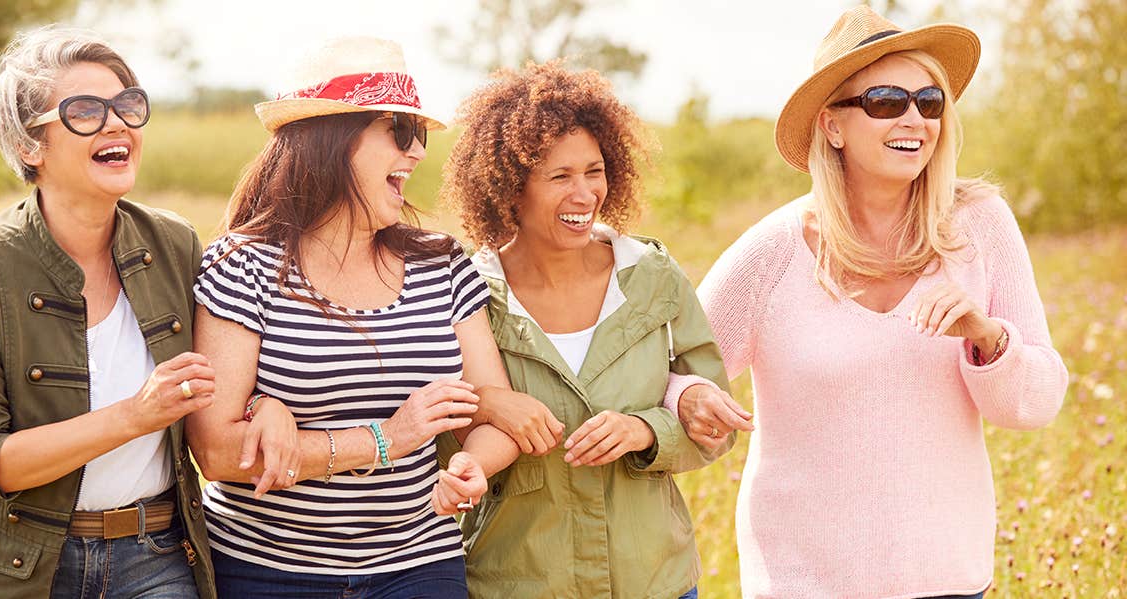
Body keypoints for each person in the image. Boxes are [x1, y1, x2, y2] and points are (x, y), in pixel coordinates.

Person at [685, 7, 1069, 598]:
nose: (914, 117)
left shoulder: (980, 226)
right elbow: (672, 366)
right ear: (832, 126)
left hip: (949, 581)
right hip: (804, 584)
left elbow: (1036, 404)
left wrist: (987, 338)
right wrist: (688, 397)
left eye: (930, 101)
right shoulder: (772, 252)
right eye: (887, 101)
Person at [184, 37, 519, 598]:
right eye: (400, 132)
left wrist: (475, 465)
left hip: (420, 565)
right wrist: (387, 438)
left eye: (418, 136)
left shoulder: (442, 262)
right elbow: (218, 452)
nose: (416, 153)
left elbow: (491, 409)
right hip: (265, 573)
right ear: (333, 139)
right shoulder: (243, 265)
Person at [0, 27, 216, 598]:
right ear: (30, 145)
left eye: (128, 106)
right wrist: (136, 415)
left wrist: (269, 405)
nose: (117, 124)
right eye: (85, 110)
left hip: (157, 556)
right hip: (16, 568)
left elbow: (224, 381)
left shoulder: (175, 244)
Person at [439, 60, 740, 599]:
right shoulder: (468, 295)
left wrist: (648, 431)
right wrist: (488, 407)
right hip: (518, 582)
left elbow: (713, 425)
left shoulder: (653, 278)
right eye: (560, 176)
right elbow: (442, 434)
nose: (585, 194)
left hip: (654, 582)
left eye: (594, 170)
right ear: (509, 189)